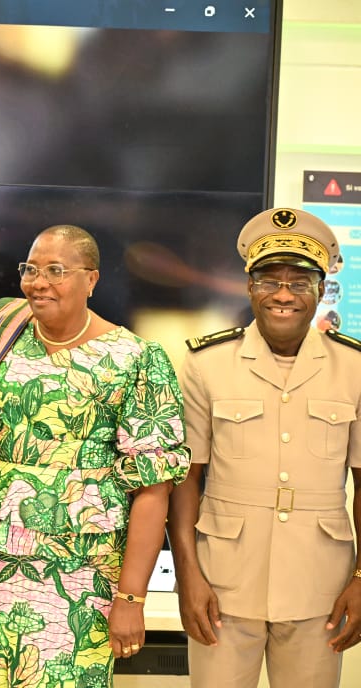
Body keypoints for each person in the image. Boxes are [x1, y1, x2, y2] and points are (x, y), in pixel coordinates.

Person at [0, 224, 190, 688]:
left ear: (92, 279)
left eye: (56, 271)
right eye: (31, 270)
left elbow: (153, 487)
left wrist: (132, 598)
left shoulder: (135, 359)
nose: (38, 283)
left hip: (84, 573)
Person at [168, 207, 361, 688]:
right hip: (222, 585)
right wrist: (187, 576)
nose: (283, 295)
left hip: (320, 587)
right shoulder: (206, 363)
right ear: (249, 287)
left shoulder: (354, 367)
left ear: (322, 289)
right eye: (269, 280)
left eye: (300, 282)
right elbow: (185, 479)